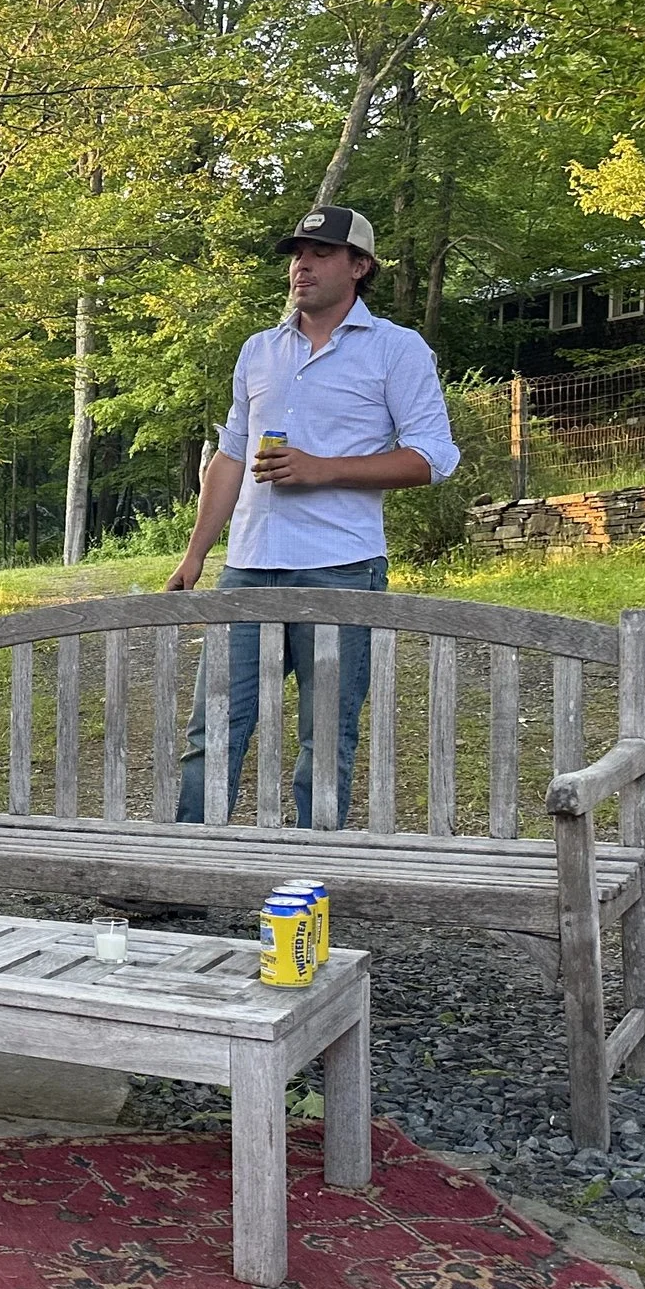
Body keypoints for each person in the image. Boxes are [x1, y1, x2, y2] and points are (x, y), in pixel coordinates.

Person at [167, 205, 461, 827]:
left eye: (322, 252)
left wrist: (322, 468)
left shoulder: (396, 350)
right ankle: (189, 867)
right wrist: (197, 554)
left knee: (324, 740)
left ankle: (310, 878)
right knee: (213, 729)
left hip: (341, 570)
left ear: (359, 266)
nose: (303, 264)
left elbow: (433, 458)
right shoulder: (259, 350)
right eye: (298, 253)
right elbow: (230, 456)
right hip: (246, 570)